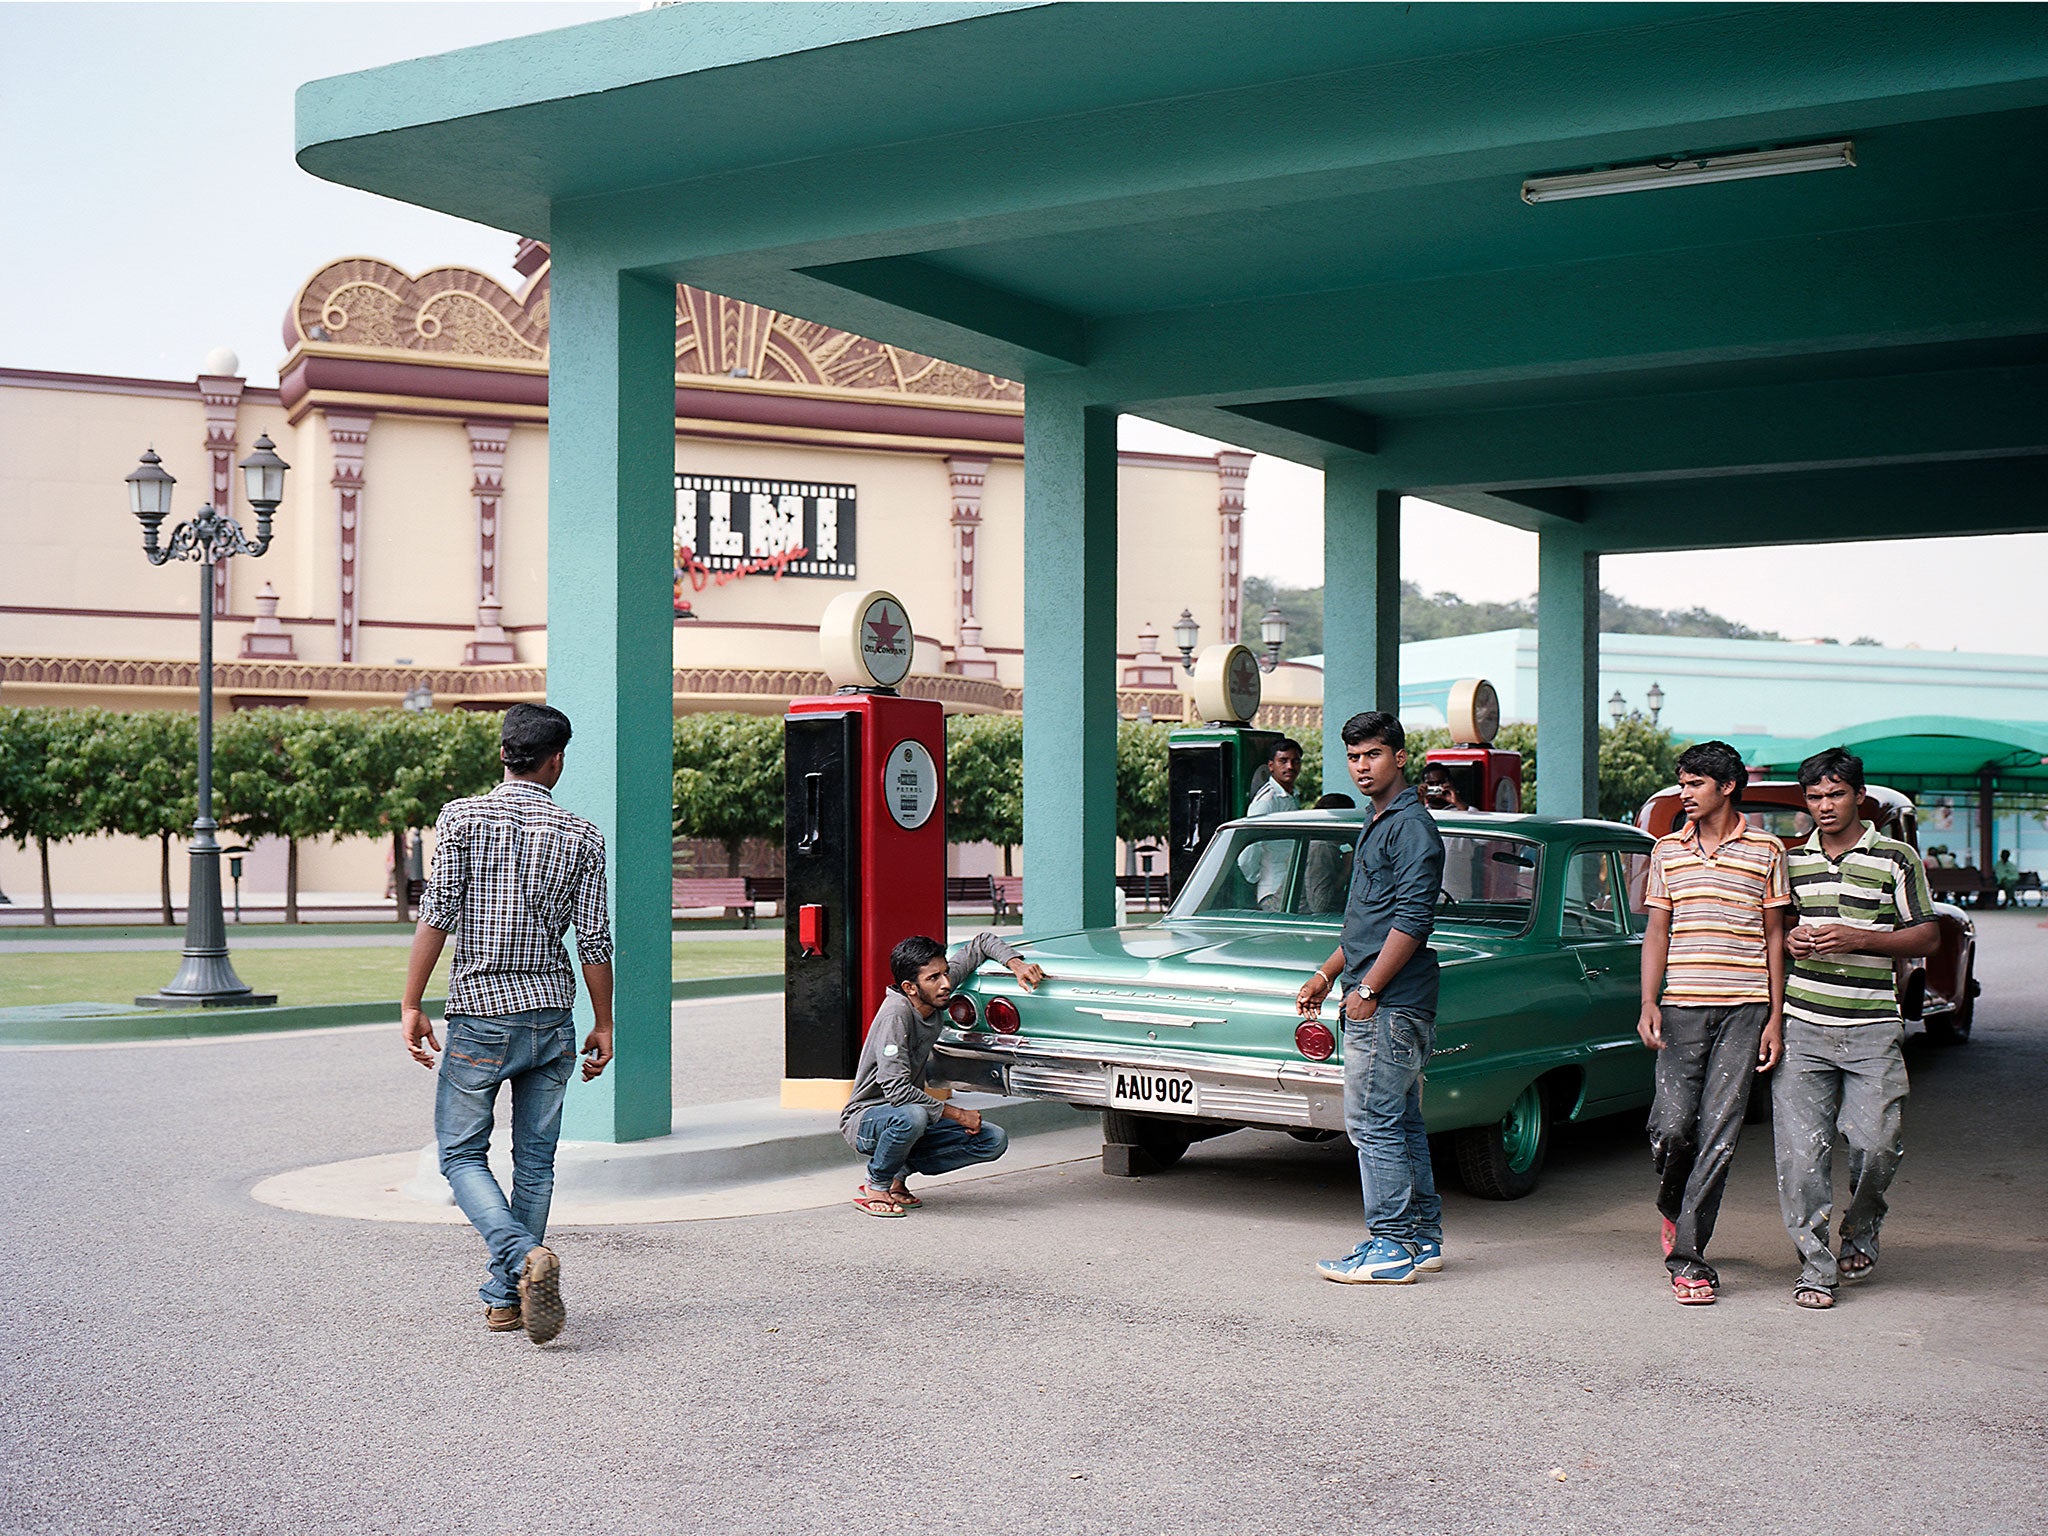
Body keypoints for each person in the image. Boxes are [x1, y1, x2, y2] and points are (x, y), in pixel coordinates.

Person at [401, 703, 614, 1345]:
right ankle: (504, 1298)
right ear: (556, 761)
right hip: (552, 1017)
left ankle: (519, 1260)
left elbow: (438, 913)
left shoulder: (461, 818)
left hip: (481, 1016)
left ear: (503, 753)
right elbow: (596, 941)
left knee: (462, 1153)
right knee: (536, 1163)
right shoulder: (583, 836)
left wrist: (411, 1003)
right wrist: (603, 1023)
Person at [1775, 747, 1938, 1310]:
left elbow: (1927, 937)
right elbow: (1781, 930)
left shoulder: (1896, 858)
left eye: (1835, 794)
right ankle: (1816, 1267)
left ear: (1858, 796)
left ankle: (1862, 1226)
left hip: (1872, 1028)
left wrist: (1859, 938)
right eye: (1815, 796)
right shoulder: (1791, 862)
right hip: (1803, 1025)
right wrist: (1794, 938)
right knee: (1801, 1155)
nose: (1824, 805)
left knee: (1877, 1144)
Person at [1295, 712, 1447, 1284]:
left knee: (1373, 1125)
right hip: (1384, 996)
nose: (1362, 766)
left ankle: (1389, 1247)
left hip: (1392, 1003)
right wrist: (1327, 974)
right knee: (1401, 1122)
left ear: (1399, 757)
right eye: (1354, 757)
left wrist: (1367, 989)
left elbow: (1412, 920)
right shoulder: (1378, 820)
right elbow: (1367, 921)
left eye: (1374, 755)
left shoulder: (1411, 827)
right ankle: (1421, 1239)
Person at [1638, 739, 1788, 1306]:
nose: (1685, 793)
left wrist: (1775, 1016)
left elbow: (1775, 937)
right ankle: (1673, 1200)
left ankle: (1689, 1260)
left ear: (1726, 786)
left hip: (1746, 1008)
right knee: (1674, 1126)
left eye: (1695, 783)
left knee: (1720, 1135)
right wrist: (1649, 1001)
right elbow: (1658, 931)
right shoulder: (1667, 851)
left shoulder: (1767, 850)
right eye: (1682, 782)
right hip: (1681, 1007)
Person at [844, 932, 1046, 1215]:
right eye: (934, 978)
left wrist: (1016, 965)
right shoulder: (895, 1016)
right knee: (912, 1116)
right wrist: (958, 1114)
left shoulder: (936, 991)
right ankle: (875, 1185)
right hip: (867, 1119)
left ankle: (898, 1174)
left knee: (991, 1139)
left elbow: (981, 942)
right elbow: (897, 1092)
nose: (947, 984)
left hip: (910, 1115)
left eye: (946, 973)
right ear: (910, 987)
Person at [1238, 737, 1304, 909]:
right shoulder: (1267, 800)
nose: (1290, 766)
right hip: (1273, 890)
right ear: (1271, 766)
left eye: (1295, 761)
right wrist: (1257, 877)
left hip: (1290, 887)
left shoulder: (1292, 796)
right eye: (1283, 761)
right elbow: (1249, 849)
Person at [1302, 792, 1356, 914]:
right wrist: (1346, 869)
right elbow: (1319, 906)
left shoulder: (1324, 845)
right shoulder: (1322, 847)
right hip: (1300, 921)